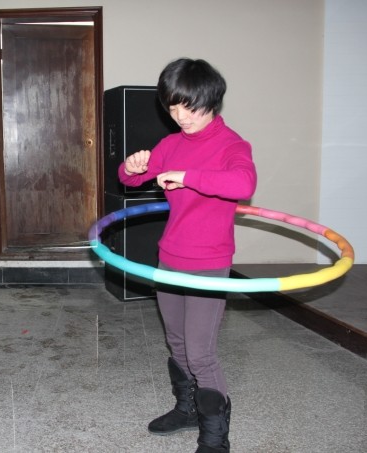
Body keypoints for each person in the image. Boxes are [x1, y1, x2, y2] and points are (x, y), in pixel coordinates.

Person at [119, 58, 257, 453]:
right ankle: (187, 409)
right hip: (170, 258)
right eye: (173, 107)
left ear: (211, 100)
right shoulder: (172, 144)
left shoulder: (232, 144)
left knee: (201, 353)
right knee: (177, 343)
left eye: (189, 106)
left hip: (208, 263)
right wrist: (131, 166)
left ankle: (215, 438)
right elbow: (130, 179)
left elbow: (243, 183)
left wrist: (187, 177)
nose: (181, 116)